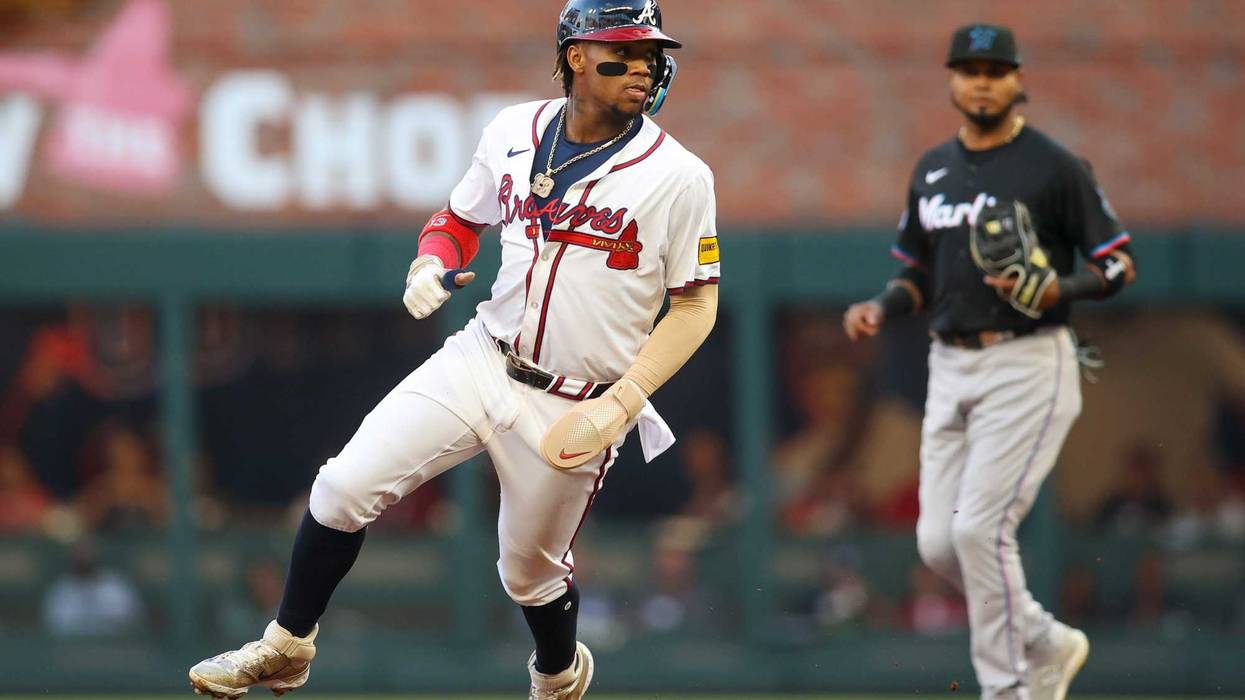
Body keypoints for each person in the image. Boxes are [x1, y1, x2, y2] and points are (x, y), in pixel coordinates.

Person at [189, 1, 720, 699]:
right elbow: (459, 219)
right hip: (481, 357)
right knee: (341, 488)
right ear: (574, 58)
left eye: (651, 53)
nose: (644, 66)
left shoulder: (679, 176)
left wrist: (622, 406)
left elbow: (695, 304)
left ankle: (558, 676)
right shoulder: (512, 130)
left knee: (527, 574)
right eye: (623, 50)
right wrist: (428, 262)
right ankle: (286, 645)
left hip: (578, 399)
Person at [842, 23, 1136, 700]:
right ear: (951, 79)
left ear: (1016, 79)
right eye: (968, 68)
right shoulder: (932, 169)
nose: (981, 80)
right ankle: (1043, 637)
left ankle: (1007, 688)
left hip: (1028, 359)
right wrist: (882, 308)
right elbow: (915, 270)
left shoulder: (1054, 168)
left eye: (993, 69)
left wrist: (1061, 287)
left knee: (978, 529)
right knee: (938, 546)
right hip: (949, 362)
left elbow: (1117, 262)